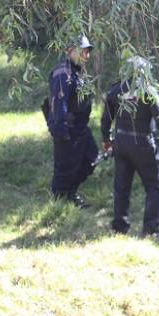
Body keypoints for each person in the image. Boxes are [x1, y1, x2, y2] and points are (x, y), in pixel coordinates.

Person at [101, 57, 159, 239]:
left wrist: (107, 139)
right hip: (143, 144)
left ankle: (119, 228)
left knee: (121, 187)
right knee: (154, 186)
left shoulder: (115, 90)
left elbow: (106, 118)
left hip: (121, 142)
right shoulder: (148, 92)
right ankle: (151, 229)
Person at [44, 35, 97, 208]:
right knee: (64, 170)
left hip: (81, 129)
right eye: (83, 51)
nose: (86, 55)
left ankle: (70, 193)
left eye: (88, 51)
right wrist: (62, 133)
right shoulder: (62, 73)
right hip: (67, 130)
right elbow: (59, 104)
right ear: (70, 51)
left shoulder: (76, 70)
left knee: (91, 158)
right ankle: (58, 206)